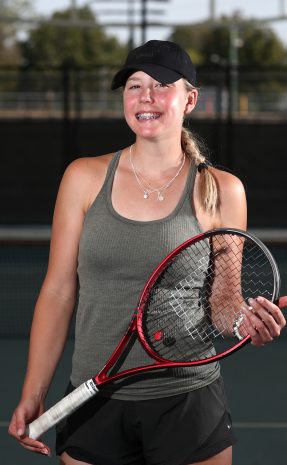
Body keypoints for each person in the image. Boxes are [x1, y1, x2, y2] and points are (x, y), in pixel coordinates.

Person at [8, 40, 286, 465]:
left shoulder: (223, 190)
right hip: (93, 398)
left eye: (161, 85)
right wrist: (33, 391)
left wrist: (245, 321)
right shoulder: (83, 178)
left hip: (188, 400)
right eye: (134, 86)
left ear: (189, 99)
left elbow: (224, 301)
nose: (146, 97)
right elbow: (59, 291)